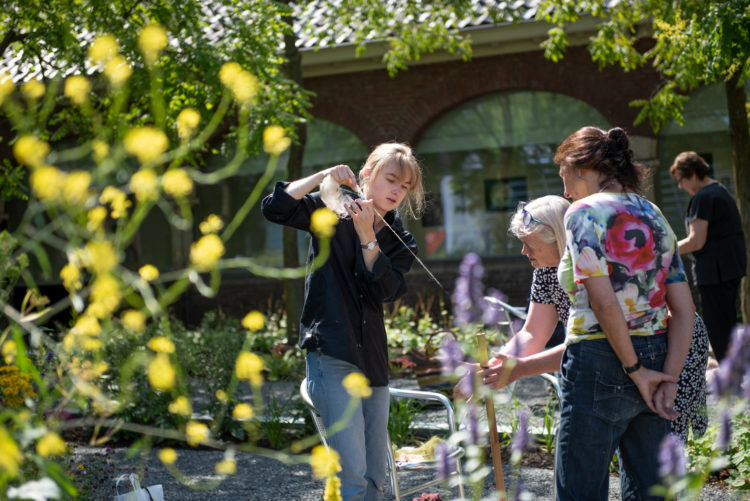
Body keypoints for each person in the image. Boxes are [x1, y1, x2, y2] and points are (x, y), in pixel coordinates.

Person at [261, 142, 425, 501]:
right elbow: (275, 207)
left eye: (405, 186)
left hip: (374, 363)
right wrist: (322, 176)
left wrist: (369, 239)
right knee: (351, 475)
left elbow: (386, 290)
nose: (397, 190)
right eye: (391, 180)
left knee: (374, 478)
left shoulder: (401, 241)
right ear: (367, 175)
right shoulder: (330, 213)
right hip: (332, 353)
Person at [477, 195, 708, 442]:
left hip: (675, 342)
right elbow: (533, 332)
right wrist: (495, 366)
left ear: (558, 239)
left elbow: (587, 343)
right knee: (635, 441)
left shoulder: (592, 267)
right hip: (627, 352)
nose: (524, 252)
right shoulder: (544, 272)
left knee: (666, 438)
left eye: (530, 245)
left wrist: (519, 369)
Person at [551, 126, 694, 501]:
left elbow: (603, 301)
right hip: (659, 354)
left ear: (579, 167)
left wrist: (634, 369)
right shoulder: (653, 212)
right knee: (652, 492)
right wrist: (668, 378)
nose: (566, 193)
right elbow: (683, 308)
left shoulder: (582, 212)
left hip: (599, 358)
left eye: (565, 179)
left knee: (580, 491)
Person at [669, 151, 746, 361]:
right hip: (728, 270)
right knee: (728, 325)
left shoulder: (703, 197)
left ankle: (729, 382)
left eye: (681, 180)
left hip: (715, 274)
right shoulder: (719, 191)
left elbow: (696, 241)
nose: (680, 186)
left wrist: (666, 249)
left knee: (719, 329)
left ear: (693, 175)